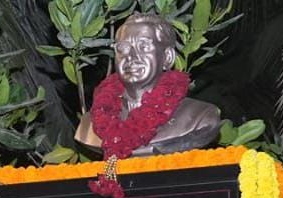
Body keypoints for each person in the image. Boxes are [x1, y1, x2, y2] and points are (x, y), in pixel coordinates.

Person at [75, 13, 221, 155]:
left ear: (167, 58)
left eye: (143, 47)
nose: (131, 57)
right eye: (123, 48)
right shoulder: (89, 125)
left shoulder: (200, 117)